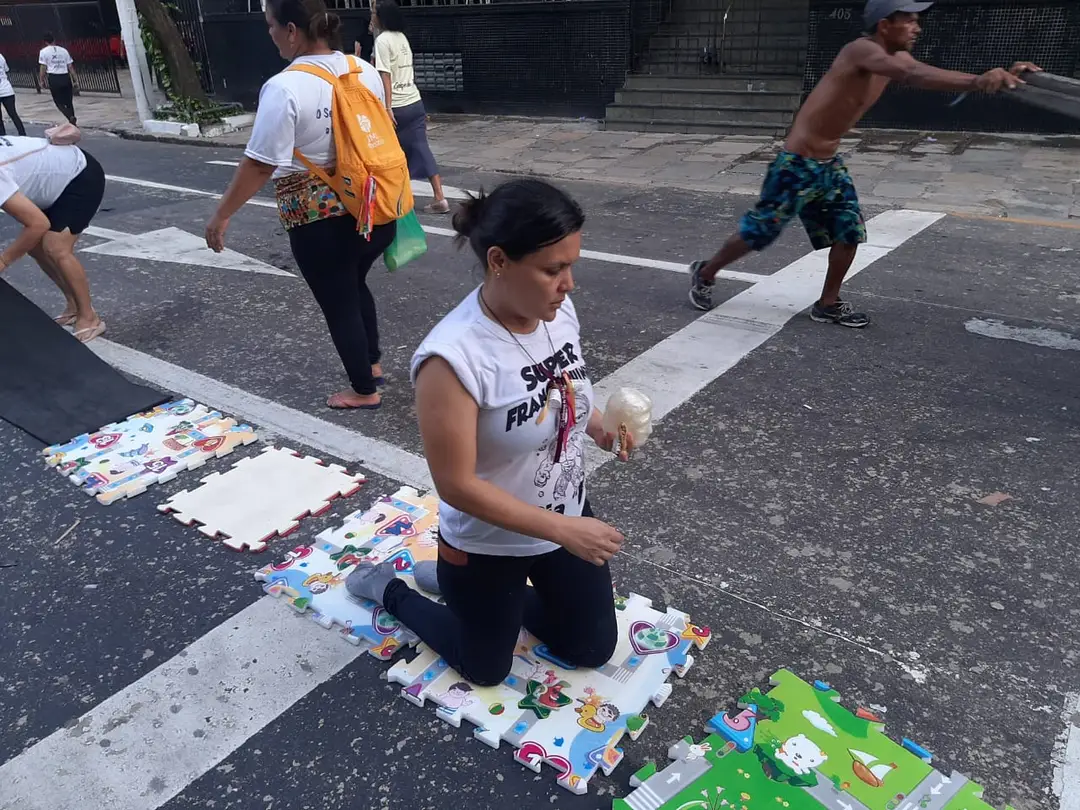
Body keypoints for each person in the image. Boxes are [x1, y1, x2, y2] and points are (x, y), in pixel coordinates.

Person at [345, 179, 630, 686]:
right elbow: (457, 486)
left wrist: (600, 428)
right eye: (553, 270)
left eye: (571, 266)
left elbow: (566, 382)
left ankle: (471, 597)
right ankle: (392, 590)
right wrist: (565, 531)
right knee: (485, 670)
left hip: (562, 513)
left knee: (590, 647)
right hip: (487, 542)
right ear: (498, 261)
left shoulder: (556, 311)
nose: (569, 285)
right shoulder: (452, 359)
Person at [687, 0, 1042, 328]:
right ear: (885, 25)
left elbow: (918, 71)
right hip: (796, 164)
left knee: (850, 232)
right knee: (759, 232)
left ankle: (827, 303)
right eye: (909, 21)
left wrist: (1007, 78)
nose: (917, 28)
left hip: (828, 165)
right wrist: (979, 81)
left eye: (918, 21)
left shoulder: (896, 57)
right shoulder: (861, 50)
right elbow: (913, 75)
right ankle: (706, 271)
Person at [205, 0, 396, 410]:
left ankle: (364, 389)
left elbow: (259, 164)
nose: (269, 33)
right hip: (374, 210)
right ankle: (373, 363)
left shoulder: (284, 87)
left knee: (338, 299)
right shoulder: (362, 70)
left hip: (320, 222)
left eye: (270, 25)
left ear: (292, 30)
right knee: (354, 281)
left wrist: (221, 216)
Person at [0, 133, 107, 340]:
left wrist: (4, 260)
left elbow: (38, 224)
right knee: (35, 247)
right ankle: (73, 306)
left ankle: (89, 317)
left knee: (55, 247)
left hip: (79, 175)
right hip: (55, 180)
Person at [370, 0, 449, 214]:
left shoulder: (383, 40)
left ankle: (397, 199)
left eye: (374, 13)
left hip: (397, 105)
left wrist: (387, 107)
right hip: (414, 101)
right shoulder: (401, 38)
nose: (372, 17)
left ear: (381, 17)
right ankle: (439, 197)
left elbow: (384, 75)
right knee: (421, 148)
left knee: (392, 153)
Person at [38, 33, 78, 125]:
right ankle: (73, 123)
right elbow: (70, 67)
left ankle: (70, 117)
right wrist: (75, 79)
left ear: (45, 42)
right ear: (54, 40)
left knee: (58, 102)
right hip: (65, 76)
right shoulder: (64, 50)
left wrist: (41, 80)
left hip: (54, 77)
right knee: (69, 102)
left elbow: (43, 67)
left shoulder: (43, 52)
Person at [0, 52, 26, 136]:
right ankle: (23, 134)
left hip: (4, 90)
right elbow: (6, 69)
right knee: (13, 114)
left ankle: (3, 135)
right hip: (7, 90)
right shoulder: (0, 56)